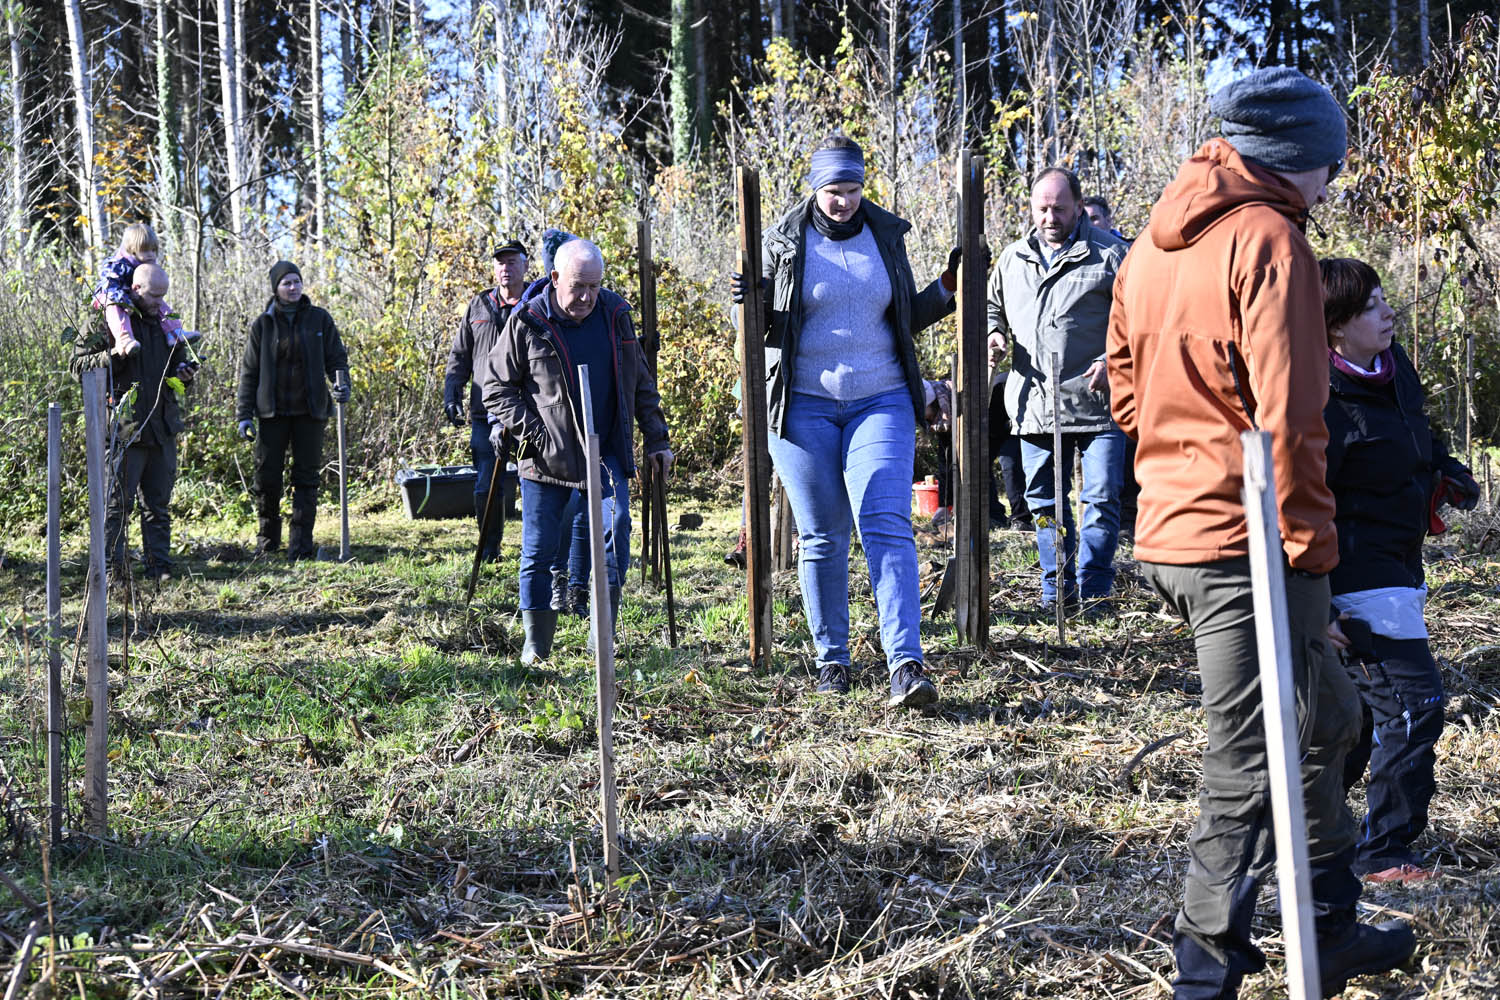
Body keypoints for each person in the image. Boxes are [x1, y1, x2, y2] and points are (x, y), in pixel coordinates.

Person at [1107, 67, 1416, 999]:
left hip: (1172, 524)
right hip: (1239, 539)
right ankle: (1205, 971)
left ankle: (1327, 924)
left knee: (1329, 718)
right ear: (1293, 157)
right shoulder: (1270, 239)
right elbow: (1292, 418)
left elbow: (1121, 390)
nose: (1332, 183)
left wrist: (1179, 440)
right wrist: (1311, 552)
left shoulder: (1149, 247)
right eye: (1329, 164)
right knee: (1249, 754)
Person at [734, 134, 957, 707]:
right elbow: (760, 328)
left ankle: (906, 664)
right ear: (815, 189)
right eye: (834, 191)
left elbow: (906, 315)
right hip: (802, 403)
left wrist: (949, 288)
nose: (845, 201)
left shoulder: (884, 235)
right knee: (823, 537)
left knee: (885, 524)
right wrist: (752, 298)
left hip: (880, 400)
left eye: (854, 189)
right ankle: (832, 659)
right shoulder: (784, 241)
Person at [1320, 257, 1479, 884]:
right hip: (1353, 576)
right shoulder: (1315, 399)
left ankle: (1303, 835)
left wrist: (1444, 470)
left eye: (1386, 301)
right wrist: (1316, 606)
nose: (1389, 314)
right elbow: (1290, 506)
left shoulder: (1394, 368)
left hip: (1399, 565)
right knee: (1417, 708)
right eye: (1371, 308)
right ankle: (1385, 852)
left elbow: (1418, 436)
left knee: (1360, 723)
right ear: (1335, 328)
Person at [482, 238, 672, 664]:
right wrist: (534, 433)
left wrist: (657, 438)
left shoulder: (615, 315)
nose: (586, 297)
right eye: (577, 286)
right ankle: (536, 646)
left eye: (594, 286)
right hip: (546, 459)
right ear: (554, 278)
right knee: (539, 549)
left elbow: (642, 384)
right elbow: (495, 387)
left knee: (615, 531)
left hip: (606, 453)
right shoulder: (528, 320)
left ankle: (602, 636)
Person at [987, 167, 1129, 611]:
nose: (1050, 217)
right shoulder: (1012, 259)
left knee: (1102, 500)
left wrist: (1114, 359)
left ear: (1078, 206)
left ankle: (1095, 590)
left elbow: (1142, 318)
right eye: (1042, 208)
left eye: (1059, 208)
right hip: (1034, 403)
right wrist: (993, 333)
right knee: (1046, 504)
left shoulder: (1111, 255)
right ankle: (1056, 590)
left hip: (1100, 402)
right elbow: (991, 305)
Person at [72, 263, 195, 581]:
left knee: (158, 503)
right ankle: (112, 569)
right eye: (155, 295)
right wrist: (115, 353)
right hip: (124, 430)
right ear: (136, 289)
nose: (160, 301)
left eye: (164, 295)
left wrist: (184, 371)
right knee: (117, 504)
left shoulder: (165, 322)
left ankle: (159, 566)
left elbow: (177, 360)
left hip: (161, 427)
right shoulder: (108, 319)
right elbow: (78, 365)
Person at [235, 261, 351, 560]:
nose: (293, 287)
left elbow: (337, 359)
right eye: (286, 282)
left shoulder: (319, 320)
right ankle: (267, 542)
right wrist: (244, 414)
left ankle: (301, 546)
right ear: (275, 287)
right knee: (268, 478)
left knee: (306, 479)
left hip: (310, 413)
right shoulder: (263, 325)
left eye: (297, 281)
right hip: (271, 414)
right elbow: (249, 372)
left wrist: (341, 385)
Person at [444, 239, 529, 562]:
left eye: (511, 262)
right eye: (500, 263)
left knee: (532, 485)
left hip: (527, 412)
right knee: (486, 486)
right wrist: (452, 392)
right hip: (484, 410)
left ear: (524, 265)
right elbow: (460, 355)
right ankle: (489, 549)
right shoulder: (478, 305)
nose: (505, 269)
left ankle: (535, 552)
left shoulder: (535, 303)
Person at [93, 222, 193, 358]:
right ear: (132, 250)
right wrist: (124, 300)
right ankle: (124, 339)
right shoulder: (118, 265)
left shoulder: (146, 265)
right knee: (115, 307)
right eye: (145, 250)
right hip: (111, 296)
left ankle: (174, 332)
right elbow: (110, 287)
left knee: (159, 302)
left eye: (153, 250)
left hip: (136, 296)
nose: (151, 255)